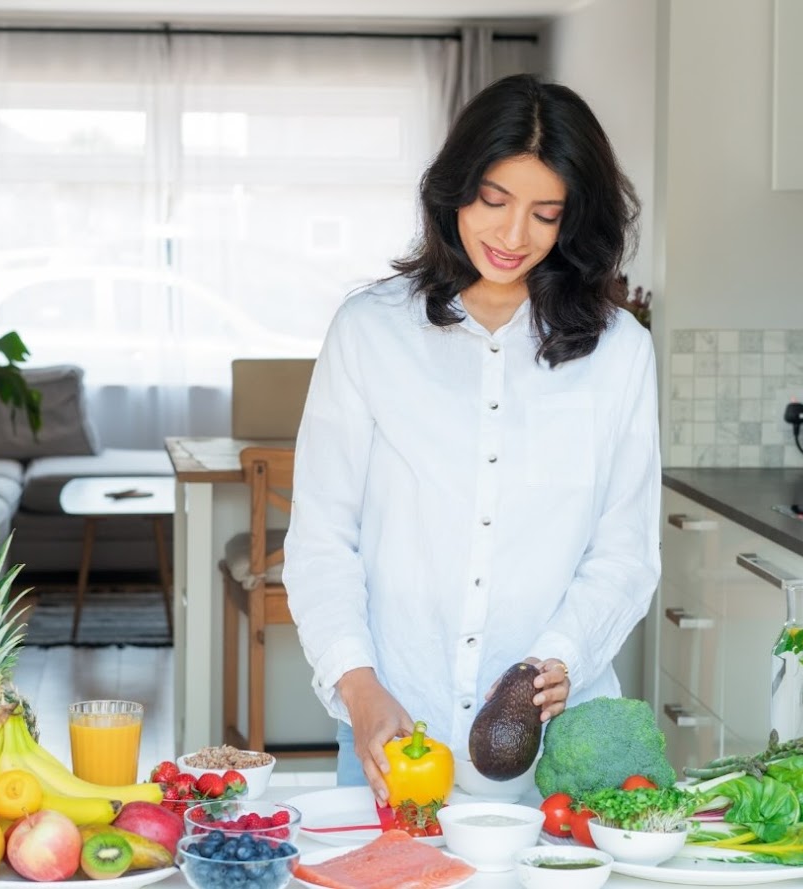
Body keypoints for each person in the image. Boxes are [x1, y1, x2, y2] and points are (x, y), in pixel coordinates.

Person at [282, 73, 661, 802]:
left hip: (559, 753)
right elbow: (323, 537)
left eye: (545, 213)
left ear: (574, 220)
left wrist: (556, 659)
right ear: (455, 189)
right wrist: (358, 688)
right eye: (493, 201)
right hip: (391, 731)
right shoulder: (370, 332)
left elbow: (624, 549)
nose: (514, 236)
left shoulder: (620, 353)